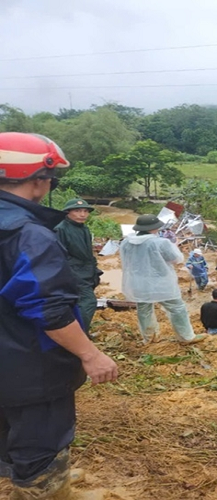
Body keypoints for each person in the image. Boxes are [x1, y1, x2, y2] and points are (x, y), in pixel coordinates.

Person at [0, 132, 118, 499]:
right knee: (41, 441)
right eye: (51, 179)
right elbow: (49, 309)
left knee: (6, 427)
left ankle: (15, 474)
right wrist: (90, 354)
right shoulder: (29, 235)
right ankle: (42, 484)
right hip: (29, 365)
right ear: (38, 180)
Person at [120, 214, 207, 345]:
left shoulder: (127, 242)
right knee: (177, 307)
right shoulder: (160, 242)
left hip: (138, 282)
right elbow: (176, 259)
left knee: (143, 309)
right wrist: (175, 246)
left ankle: (149, 338)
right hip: (160, 282)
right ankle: (186, 337)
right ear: (154, 228)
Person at [54, 197, 102, 333]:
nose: (83, 214)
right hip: (73, 274)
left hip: (87, 272)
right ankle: (80, 335)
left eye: (85, 211)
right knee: (89, 302)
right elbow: (58, 255)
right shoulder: (61, 229)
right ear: (68, 212)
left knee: (76, 304)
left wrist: (94, 270)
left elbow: (88, 253)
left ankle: (77, 333)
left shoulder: (83, 228)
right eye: (78, 211)